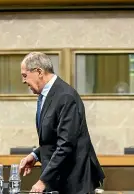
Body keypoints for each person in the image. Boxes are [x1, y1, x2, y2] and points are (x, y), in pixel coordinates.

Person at [18, 52, 105, 194]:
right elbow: (54, 139)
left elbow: (66, 144)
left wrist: (43, 181)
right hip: (61, 180)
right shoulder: (48, 95)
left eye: (24, 75)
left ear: (39, 72)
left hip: (73, 182)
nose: (23, 81)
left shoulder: (65, 96)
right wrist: (35, 155)